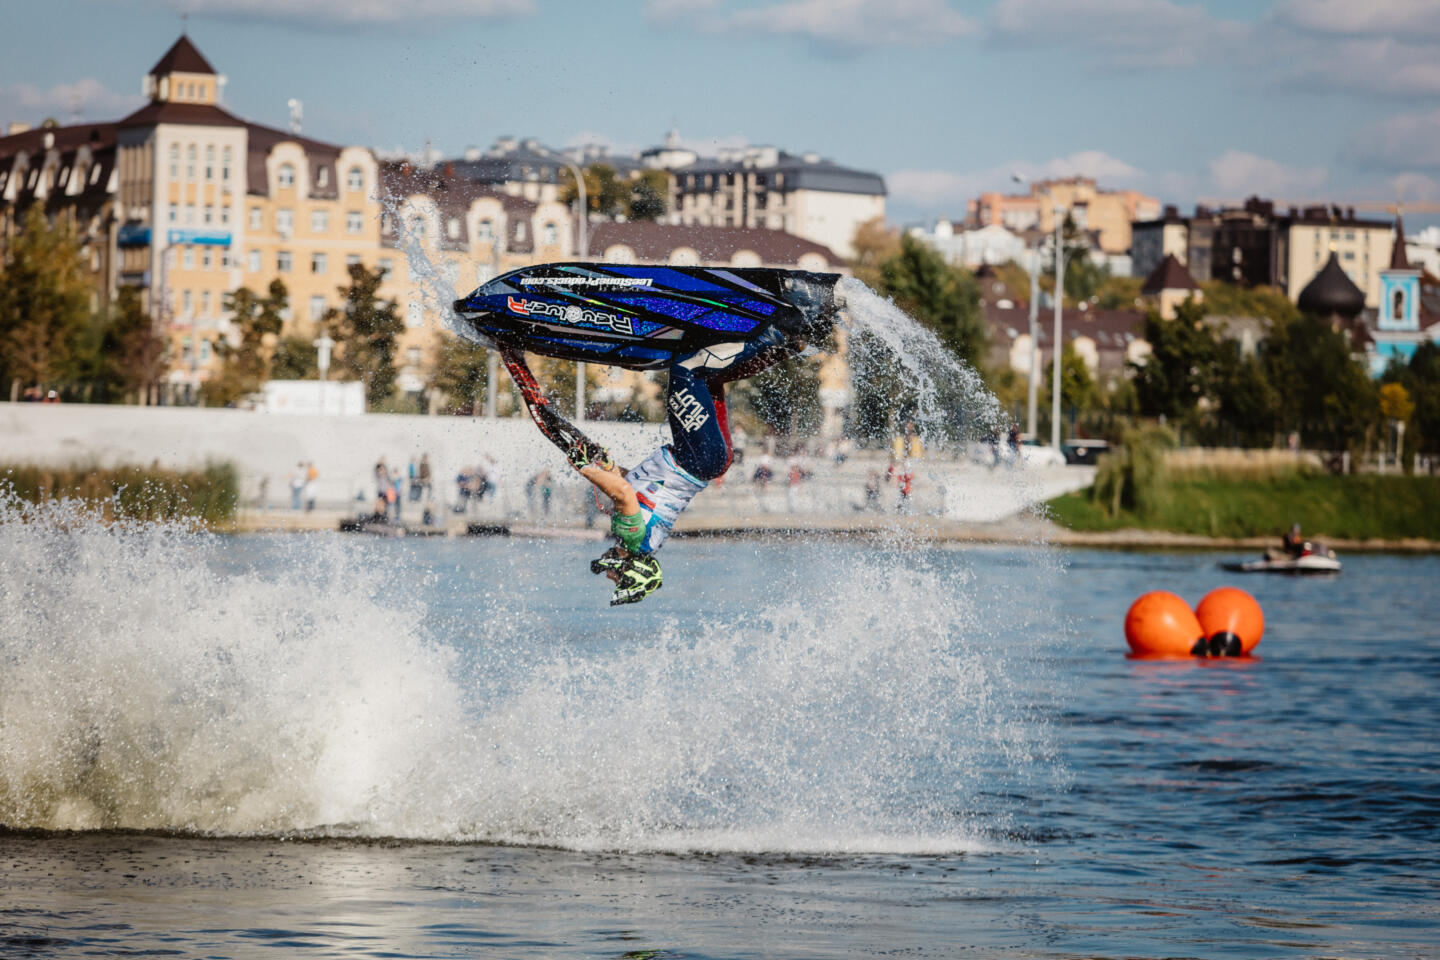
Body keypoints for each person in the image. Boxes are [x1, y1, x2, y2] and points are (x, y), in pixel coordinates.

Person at [502, 325, 805, 606]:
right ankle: (777, 335)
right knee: (687, 369)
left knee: (711, 374)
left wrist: (602, 465)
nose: (610, 576)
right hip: (697, 456)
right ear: (629, 569)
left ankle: (791, 346)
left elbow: (627, 482)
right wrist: (584, 470)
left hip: (708, 459)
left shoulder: (643, 539)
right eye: (617, 578)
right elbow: (621, 491)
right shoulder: (631, 537)